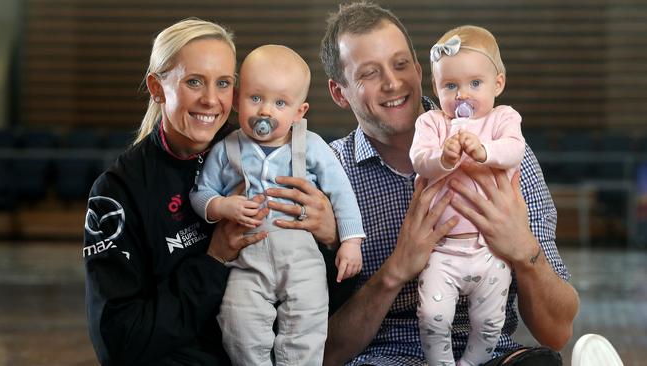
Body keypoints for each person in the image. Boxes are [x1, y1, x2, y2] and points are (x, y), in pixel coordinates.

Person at [317, 2, 579, 365]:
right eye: (369, 74)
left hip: (491, 355)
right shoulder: (328, 173)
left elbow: (557, 332)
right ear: (339, 92)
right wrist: (395, 270)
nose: (393, 83)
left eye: (400, 64)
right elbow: (319, 352)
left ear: (419, 69)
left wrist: (524, 251)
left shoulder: (502, 151)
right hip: (384, 357)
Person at [83, 19, 276, 366]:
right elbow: (120, 341)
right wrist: (213, 260)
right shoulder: (118, 190)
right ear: (157, 88)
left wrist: (327, 235)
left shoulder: (263, 156)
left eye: (223, 83)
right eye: (194, 82)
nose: (210, 100)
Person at [189, 44, 365, 365]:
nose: (266, 111)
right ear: (238, 99)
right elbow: (201, 194)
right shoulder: (227, 149)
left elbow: (341, 192)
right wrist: (222, 207)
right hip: (247, 262)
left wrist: (351, 241)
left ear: (299, 112)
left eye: (280, 103)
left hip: (302, 261)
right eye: (255, 98)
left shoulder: (309, 145)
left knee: (307, 323)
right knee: (236, 321)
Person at [410, 25, 525, 366]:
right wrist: (442, 158)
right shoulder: (432, 123)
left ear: (498, 84)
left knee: (490, 323)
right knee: (432, 317)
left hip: (491, 249)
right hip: (442, 249)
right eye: (450, 86)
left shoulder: (503, 118)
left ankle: (472, 363)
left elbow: (514, 150)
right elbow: (418, 158)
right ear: (435, 88)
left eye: (475, 83)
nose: (462, 95)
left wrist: (484, 150)